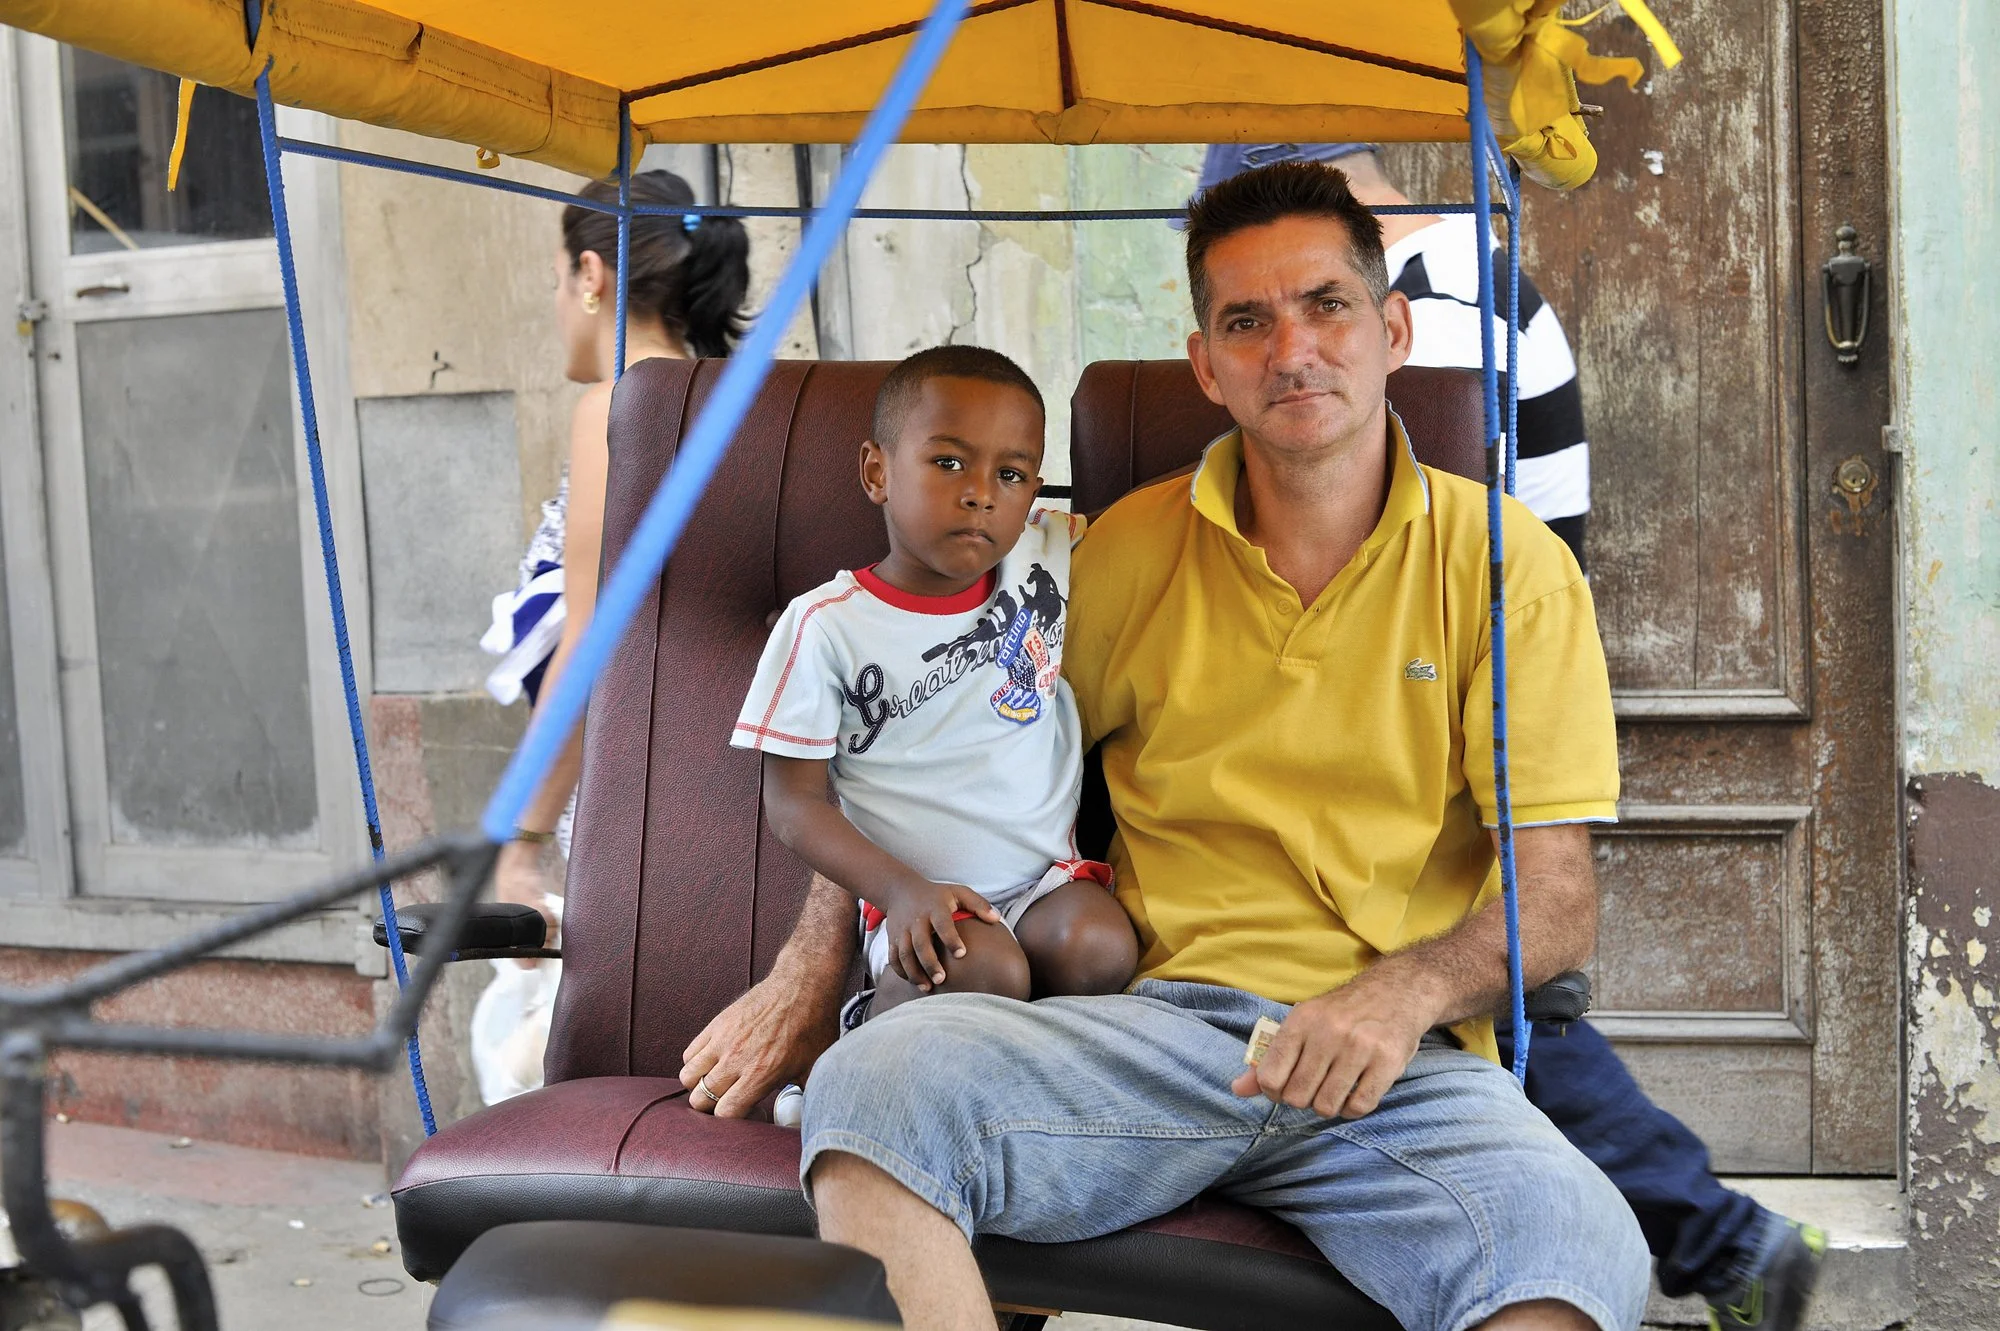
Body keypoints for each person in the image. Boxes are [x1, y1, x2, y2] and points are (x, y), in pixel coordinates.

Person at [690, 161, 1650, 1331]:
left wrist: (1398, 996)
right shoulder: (1112, 558)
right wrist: (808, 971)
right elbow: (931, 762)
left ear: (1391, 328)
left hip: (1393, 1067)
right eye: (1246, 320)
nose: (1290, 347)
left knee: (1574, 1242)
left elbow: (1555, 903)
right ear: (1206, 363)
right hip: (1142, 1032)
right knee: (876, 1087)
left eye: (1326, 305)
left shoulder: (1506, 568)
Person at [1190, 143, 1828, 1331]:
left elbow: (1394, 512)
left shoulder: (1441, 298)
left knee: (1475, 979)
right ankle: (1723, 1239)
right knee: (1481, 982)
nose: (1292, 340)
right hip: (1447, 667)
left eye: (1319, 296)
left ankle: (1718, 1234)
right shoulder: (1461, 269)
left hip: (1454, 676)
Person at [728, 346, 1137, 1043]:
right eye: (949, 462)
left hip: (1044, 882)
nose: (982, 492)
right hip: (917, 899)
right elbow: (792, 805)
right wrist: (896, 888)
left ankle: (1032, 1100)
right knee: (982, 966)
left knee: (1101, 946)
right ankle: (865, 1045)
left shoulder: (1046, 559)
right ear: (877, 470)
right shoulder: (826, 625)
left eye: (1010, 475)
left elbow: (1180, 504)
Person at [471, 169, 749, 1104]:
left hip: (644, 817)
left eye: (557, 277)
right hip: (738, 807)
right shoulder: (736, 398)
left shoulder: (618, 412)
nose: (557, 303)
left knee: (554, 1085)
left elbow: (600, 641)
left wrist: (520, 834)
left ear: (593, 273)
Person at [1196, 142, 1591, 568]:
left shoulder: (1440, 307)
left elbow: (1420, 556)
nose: (1291, 356)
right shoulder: (1451, 266)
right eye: (1246, 322)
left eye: (1327, 306)